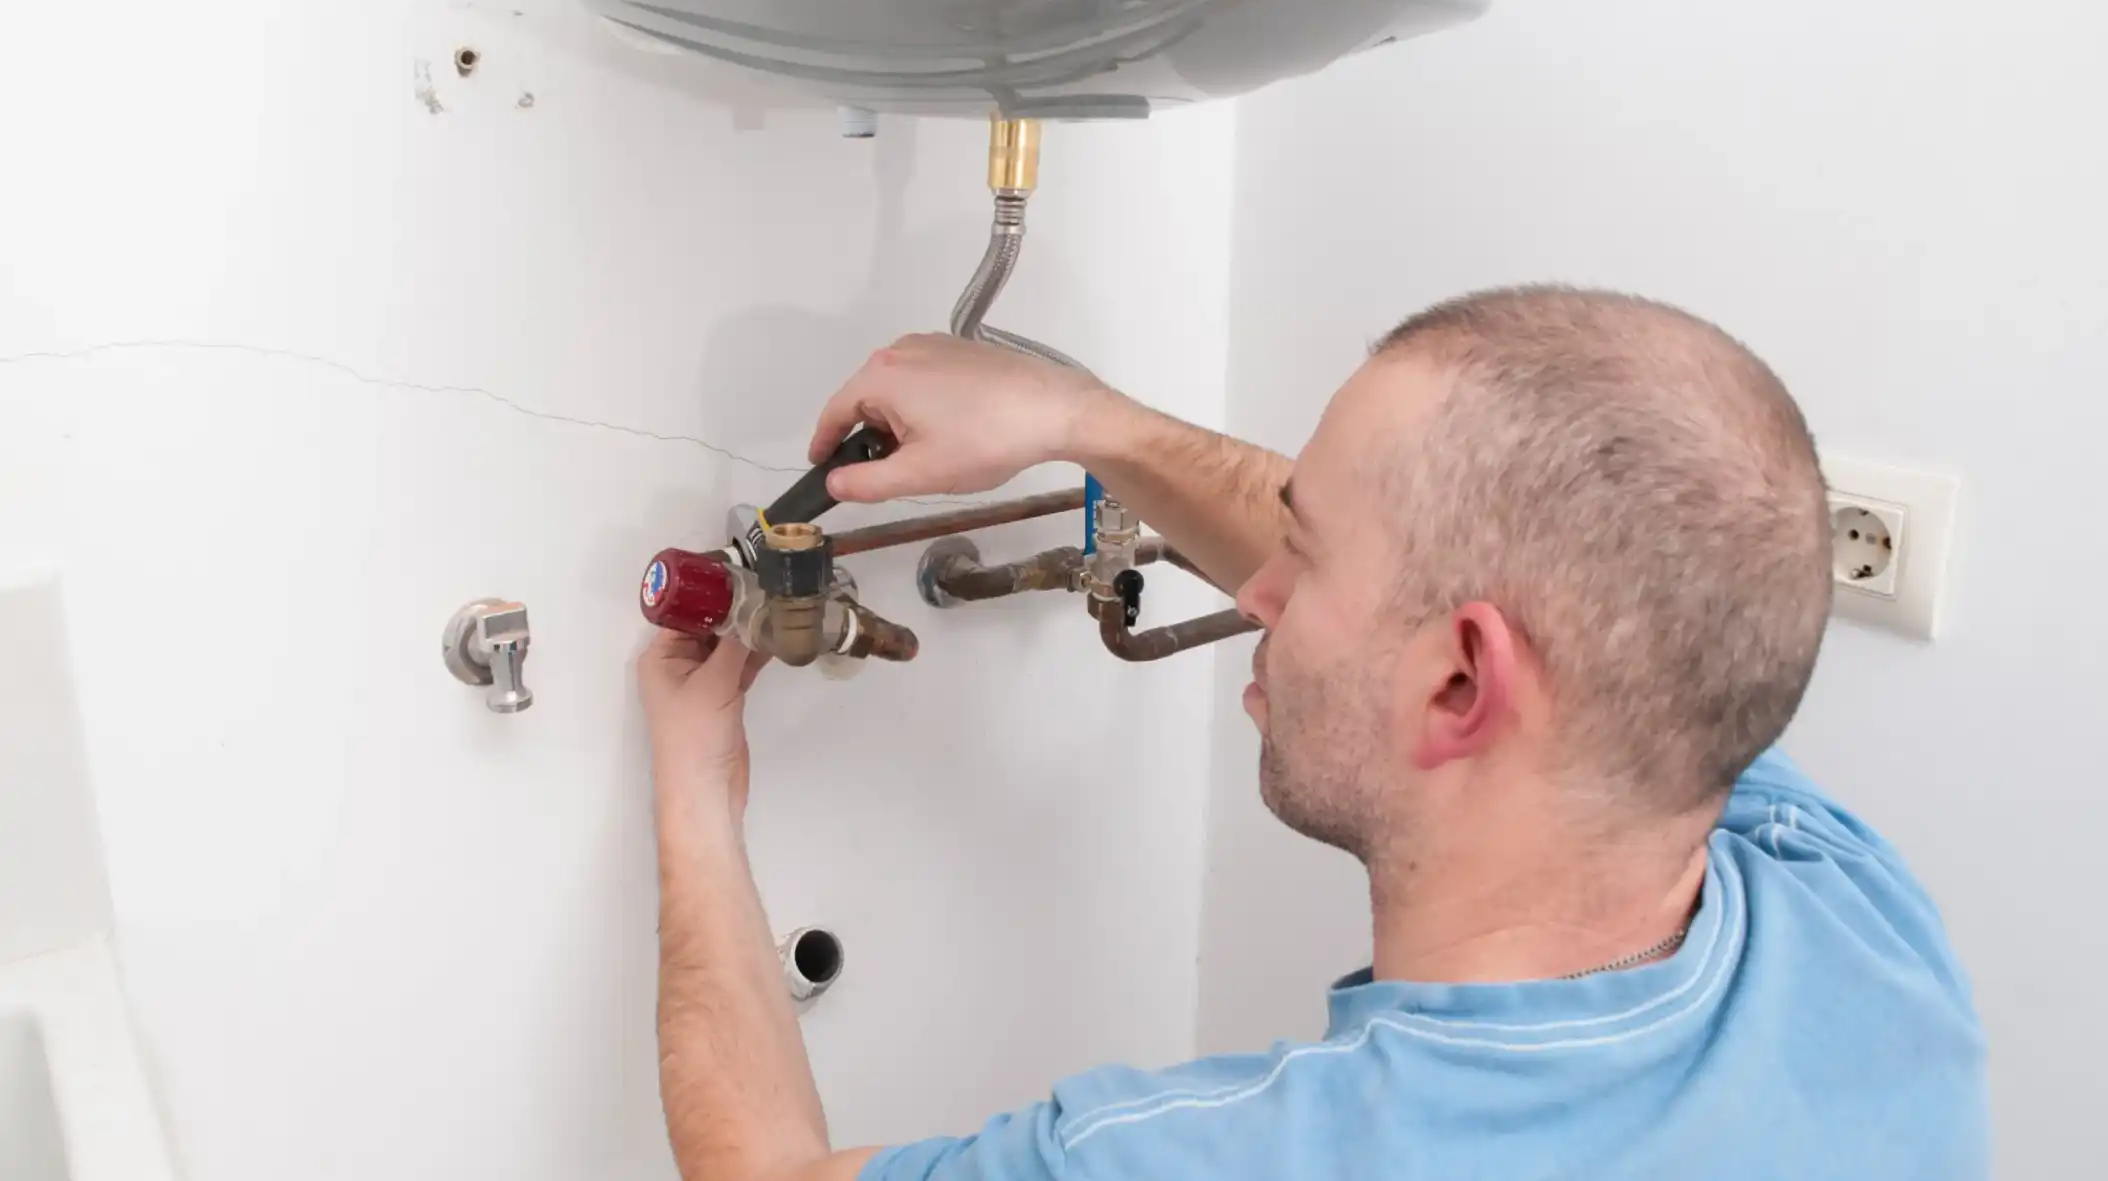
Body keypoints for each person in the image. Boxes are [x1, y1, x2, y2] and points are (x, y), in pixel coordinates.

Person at [637, 286, 1988, 1181]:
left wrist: (697, 794)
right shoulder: (1851, 918)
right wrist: (1082, 425)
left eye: (1308, 555)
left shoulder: (1268, 1158)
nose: (1260, 590)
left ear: (1462, 684)